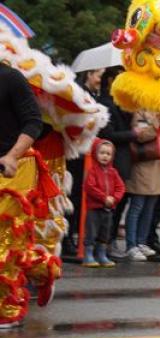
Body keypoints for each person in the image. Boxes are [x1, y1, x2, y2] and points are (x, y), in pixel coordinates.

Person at [0, 63, 50, 328]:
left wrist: (12, 155)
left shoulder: (10, 78)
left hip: (13, 168)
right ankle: (43, 271)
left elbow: (34, 121)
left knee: (5, 244)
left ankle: (7, 310)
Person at [97, 66, 142, 258]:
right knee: (109, 205)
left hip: (123, 161)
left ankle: (111, 240)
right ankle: (104, 243)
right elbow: (108, 134)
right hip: (113, 159)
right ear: (110, 81)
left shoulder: (123, 104)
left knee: (119, 203)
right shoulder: (106, 103)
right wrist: (133, 134)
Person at [63, 68, 105, 255]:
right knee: (72, 197)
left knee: (83, 199)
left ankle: (78, 236)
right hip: (76, 154)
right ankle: (66, 237)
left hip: (91, 153)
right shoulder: (77, 93)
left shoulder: (99, 95)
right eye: (98, 76)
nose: (100, 80)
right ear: (89, 74)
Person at [125, 111, 160, 261]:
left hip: (155, 164)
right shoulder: (138, 112)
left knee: (150, 207)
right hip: (142, 164)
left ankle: (142, 242)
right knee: (137, 207)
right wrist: (157, 125)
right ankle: (131, 245)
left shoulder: (158, 111)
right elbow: (140, 135)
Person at [82, 139, 125, 267]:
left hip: (108, 208)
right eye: (102, 153)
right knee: (91, 231)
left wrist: (114, 198)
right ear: (96, 154)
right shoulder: (93, 171)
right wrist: (104, 198)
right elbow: (89, 186)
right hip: (94, 208)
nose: (105, 156)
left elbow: (121, 187)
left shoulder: (113, 172)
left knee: (104, 232)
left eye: (108, 154)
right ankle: (88, 255)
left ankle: (101, 254)